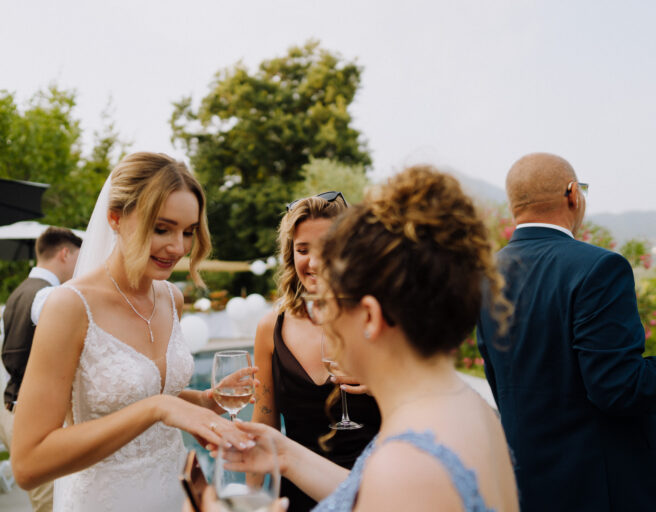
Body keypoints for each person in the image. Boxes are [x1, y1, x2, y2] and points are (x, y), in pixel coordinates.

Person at [206, 166, 519, 511]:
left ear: (369, 315)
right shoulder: (473, 409)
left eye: (338, 304)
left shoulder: (405, 463)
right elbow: (362, 492)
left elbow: (390, 486)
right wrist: (284, 455)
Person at [10, 152, 253, 511]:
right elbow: (27, 464)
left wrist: (205, 401)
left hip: (175, 493)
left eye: (188, 232)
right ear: (115, 218)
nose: (178, 247)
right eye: (161, 228)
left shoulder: (172, 297)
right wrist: (157, 407)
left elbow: (143, 387)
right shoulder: (70, 307)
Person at [477, 152, 656, 512]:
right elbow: (618, 389)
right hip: (596, 488)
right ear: (573, 194)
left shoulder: (485, 276)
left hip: (522, 485)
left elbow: (498, 380)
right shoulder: (600, 268)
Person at [251, 191, 381, 511]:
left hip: (370, 492)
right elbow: (264, 425)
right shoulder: (271, 328)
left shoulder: (377, 320)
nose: (314, 262)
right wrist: (248, 501)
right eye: (302, 250)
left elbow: (415, 411)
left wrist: (379, 382)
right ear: (290, 254)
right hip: (296, 498)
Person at [0, 226, 82, 512]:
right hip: (35, 424)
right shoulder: (50, 297)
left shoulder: (15, 297)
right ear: (64, 254)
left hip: (11, 412)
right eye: (78, 258)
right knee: (52, 506)